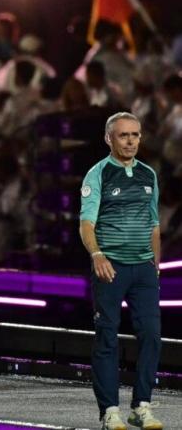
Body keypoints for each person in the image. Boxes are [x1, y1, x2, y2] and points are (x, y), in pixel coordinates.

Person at [79, 112, 163, 430]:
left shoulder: (148, 175)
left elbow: (154, 224)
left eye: (135, 135)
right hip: (110, 269)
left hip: (143, 270)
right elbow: (86, 223)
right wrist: (97, 255)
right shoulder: (97, 175)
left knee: (152, 336)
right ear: (109, 139)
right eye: (124, 135)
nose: (130, 141)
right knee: (107, 338)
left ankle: (141, 406)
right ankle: (109, 411)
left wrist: (154, 265)